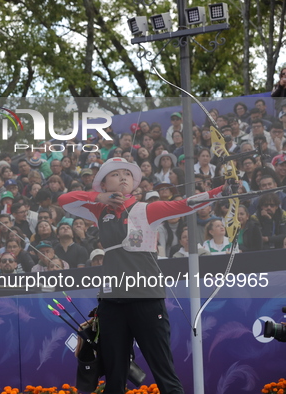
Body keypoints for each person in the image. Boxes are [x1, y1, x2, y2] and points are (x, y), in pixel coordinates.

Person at [58, 157, 231, 394]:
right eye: (115, 174)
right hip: (111, 302)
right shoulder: (99, 210)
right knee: (114, 376)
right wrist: (98, 197)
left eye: (127, 174)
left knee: (164, 372)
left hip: (146, 299)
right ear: (104, 184)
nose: (123, 177)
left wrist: (221, 191)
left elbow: (185, 204)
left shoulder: (147, 209)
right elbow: (64, 200)